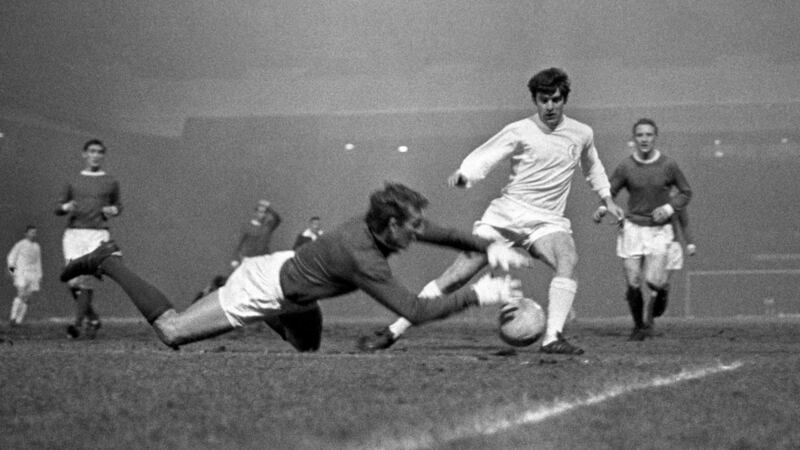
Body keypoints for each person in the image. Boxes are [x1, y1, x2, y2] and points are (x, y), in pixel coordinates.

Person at [59, 182, 529, 351]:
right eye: (410, 228)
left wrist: (488, 248)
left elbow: (441, 233)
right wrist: (478, 295)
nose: (416, 234)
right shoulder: (360, 256)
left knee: (306, 354)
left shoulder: (383, 227)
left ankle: (280, 318)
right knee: (173, 332)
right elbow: (415, 309)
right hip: (261, 289)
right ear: (389, 225)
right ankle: (108, 261)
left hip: (296, 286)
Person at [358, 68, 623, 355]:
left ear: (564, 100)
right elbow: (489, 154)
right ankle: (392, 332)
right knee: (457, 276)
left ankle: (552, 338)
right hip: (505, 219)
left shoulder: (582, 133)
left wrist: (607, 198)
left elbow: (592, 166)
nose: (549, 106)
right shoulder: (520, 130)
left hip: (546, 223)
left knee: (567, 258)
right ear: (535, 100)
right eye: (543, 100)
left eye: (555, 100)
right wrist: (466, 174)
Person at [593, 118, 691, 341]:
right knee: (633, 280)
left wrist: (668, 208)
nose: (644, 139)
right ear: (634, 138)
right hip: (633, 228)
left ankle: (662, 291)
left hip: (659, 230)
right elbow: (609, 190)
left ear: (655, 137)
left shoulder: (668, 165)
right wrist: (603, 208)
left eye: (648, 135)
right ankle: (638, 327)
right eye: (640, 135)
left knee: (653, 281)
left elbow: (685, 192)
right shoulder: (626, 166)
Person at [56, 139, 122, 339]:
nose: (95, 155)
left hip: (97, 235)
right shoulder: (72, 180)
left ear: (103, 155)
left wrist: (113, 210)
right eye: (92, 151)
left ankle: (76, 325)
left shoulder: (111, 181)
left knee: (85, 280)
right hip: (74, 234)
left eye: (99, 152)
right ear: (84, 154)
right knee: (73, 281)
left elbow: (118, 206)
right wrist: (66, 207)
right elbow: (58, 207)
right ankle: (92, 318)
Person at [6, 225, 43, 326]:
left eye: (34, 233)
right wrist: (12, 271)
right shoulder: (20, 244)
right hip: (21, 273)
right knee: (21, 294)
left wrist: (39, 275)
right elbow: (11, 257)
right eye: (31, 232)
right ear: (26, 234)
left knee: (27, 298)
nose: (33, 235)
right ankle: (13, 318)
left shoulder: (36, 246)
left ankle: (19, 320)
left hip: (32, 274)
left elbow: (38, 262)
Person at [231, 199, 281, 268]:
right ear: (255, 212)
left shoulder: (268, 226)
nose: (263, 215)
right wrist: (235, 259)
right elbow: (239, 243)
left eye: (265, 212)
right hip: (248, 260)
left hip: (263, 260)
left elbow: (278, 219)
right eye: (260, 212)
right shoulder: (247, 226)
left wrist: (269, 208)